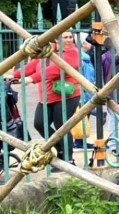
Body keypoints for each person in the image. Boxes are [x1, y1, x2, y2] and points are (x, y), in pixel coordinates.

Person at [5, 32, 81, 165]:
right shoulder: (46, 53)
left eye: (70, 37)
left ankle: (69, 159)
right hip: (47, 97)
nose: (69, 40)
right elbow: (31, 67)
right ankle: (59, 149)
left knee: (61, 127)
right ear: (56, 40)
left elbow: (56, 70)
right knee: (39, 124)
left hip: (66, 96)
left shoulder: (72, 52)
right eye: (65, 37)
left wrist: (31, 79)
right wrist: (14, 75)